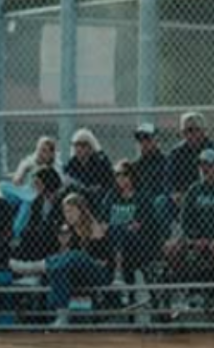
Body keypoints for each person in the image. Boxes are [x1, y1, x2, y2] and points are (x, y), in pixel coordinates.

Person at [165, 148, 214, 284]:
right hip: (197, 237)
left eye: (208, 165)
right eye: (201, 165)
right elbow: (185, 219)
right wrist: (196, 237)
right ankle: (186, 284)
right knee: (171, 247)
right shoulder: (194, 189)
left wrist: (212, 238)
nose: (204, 169)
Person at [44, 193, 114, 327]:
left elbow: (103, 261)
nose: (67, 215)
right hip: (76, 275)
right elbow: (64, 260)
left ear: (81, 210)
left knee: (76, 255)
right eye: (65, 211)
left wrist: (76, 257)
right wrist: (63, 245)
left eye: (71, 211)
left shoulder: (95, 228)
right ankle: (62, 317)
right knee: (59, 268)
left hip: (98, 274)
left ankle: (40, 265)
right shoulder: (68, 231)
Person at [105, 159, 164, 286]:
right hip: (114, 240)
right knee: (117, 232)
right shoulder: (111, 196)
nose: (121, 178)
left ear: (132, 175)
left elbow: (139, 226)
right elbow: (103, 221)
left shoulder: (142, 197)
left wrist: (118, 227)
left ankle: (118, 271)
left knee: (120, 231)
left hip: (138, 242)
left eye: (125, 174)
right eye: (117, 175)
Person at [164, 112, 214, 202]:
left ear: (204, 131)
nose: (193, 134)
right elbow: (168, 179)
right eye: (189, 130)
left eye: (197, 129)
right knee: (162, 201)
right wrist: (174, 194)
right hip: (183, 194)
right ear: (183, 133)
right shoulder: (176, 153)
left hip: (213, 193)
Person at [60, 128, 113, 210]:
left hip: (96, 200)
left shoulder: (101, 162)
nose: (79, 148)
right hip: (76, 200)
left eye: (83, 145)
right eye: (76, 145)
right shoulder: (72, 164)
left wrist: (84, 189)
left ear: (90, 146)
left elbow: (105, 186)